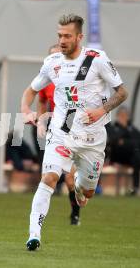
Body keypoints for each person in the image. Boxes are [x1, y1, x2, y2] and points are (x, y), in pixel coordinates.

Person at [21, 13, 128, 251]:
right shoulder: (52, 62)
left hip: (93, 137)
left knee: (87, 192)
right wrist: (25, 110)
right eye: (59, 35)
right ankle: (33, 235)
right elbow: (30, 90)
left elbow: (122, 92)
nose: (62, 40)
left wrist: (102, 110)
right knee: (49, 178)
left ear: (79, 37)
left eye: (67, 36)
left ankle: (81, 187)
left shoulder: (97, 59)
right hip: (62, 132)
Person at [36, 44, 81, 226]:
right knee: (47, 176)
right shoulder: (45, 82)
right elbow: (41, 101)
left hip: (73, 131)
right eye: (53, 56)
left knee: (70, 179)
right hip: (54, 131)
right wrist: (40, 121)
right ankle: (38, 219)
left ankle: (75, 214)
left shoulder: (74, 81)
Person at [106, 106, 140, 195]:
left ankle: (135, 189)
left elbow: (138, 141)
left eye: (125, 115)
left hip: (130, 158)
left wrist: (124, 141)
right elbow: (113, 139)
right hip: (117, 157)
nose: (123, 117)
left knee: (136, 157)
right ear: (117, 116)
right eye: (121, 115)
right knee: (136, 154)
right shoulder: (114, 128)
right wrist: (123, 130)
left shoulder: (132, 128)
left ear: (128, 117)